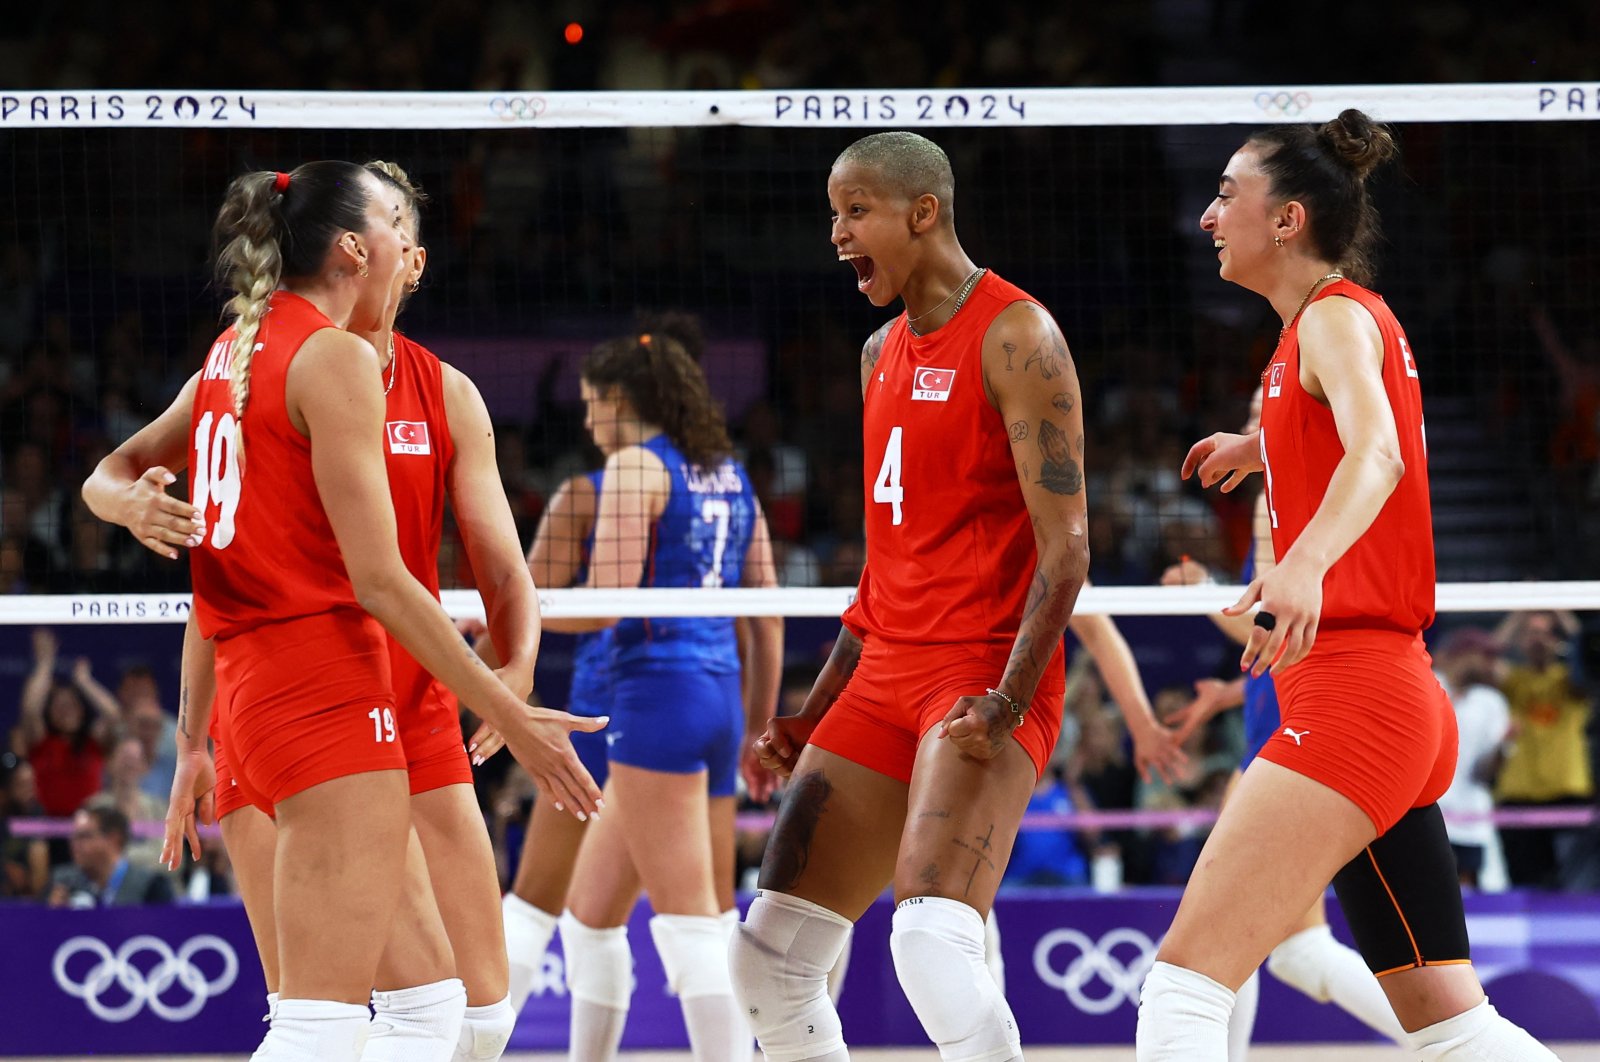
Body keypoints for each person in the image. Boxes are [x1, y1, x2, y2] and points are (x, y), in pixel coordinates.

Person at [121, 159, 599, 1062]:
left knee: (447, 1013)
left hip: (387, 696)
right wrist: (513, 715)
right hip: (323, 689)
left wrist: (516, 672)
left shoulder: (366, 374)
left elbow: (226, 561)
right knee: (320, 1020)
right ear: (357, 247)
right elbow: (346, 580)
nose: (405, 250)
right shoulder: (304, 358)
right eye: (387, 222)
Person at [1139, 109, 1555, 1060]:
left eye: (1227, 195)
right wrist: (1268, 449)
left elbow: (1378, 455)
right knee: (1453, 1029)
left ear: (1286, 219)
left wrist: (1300, 565)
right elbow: (1350, 437)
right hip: (1391, 698)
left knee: (1182, 989)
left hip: (1356, 695)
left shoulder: (1330, 317)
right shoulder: (1321, 329)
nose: (1208, 216)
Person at [731, 130, 1093, 1062]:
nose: (838, 235)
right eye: (833, 216)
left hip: (980, 677)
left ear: (922, 212)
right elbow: (884, 566)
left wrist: (1010, 702)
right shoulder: (878, 351)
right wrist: (814, 713)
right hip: (883, 671)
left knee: (930, 944)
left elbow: (1068, 551)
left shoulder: (1018, 335)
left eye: (856, 212)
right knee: (766, 960)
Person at [506, 329, 781, 1062]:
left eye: (593, 404)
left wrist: (514, 609)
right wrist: (758, 725)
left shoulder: (632, 469)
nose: (588, 420)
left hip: (657, 693)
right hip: (717, 696)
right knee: (591, 917)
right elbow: (769, 612)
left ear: (621, 400)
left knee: (693, 924)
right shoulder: (727, 472)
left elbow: (606, 602)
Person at [1493, 610, 1592, 888]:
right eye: (1531, 633)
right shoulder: (1513, 681)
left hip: (1567, 792)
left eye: (1546, 633)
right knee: (1525, 884)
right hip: (1518, 794)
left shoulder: (1571, 681)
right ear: (1521, 641)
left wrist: (1561, 614)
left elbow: (1590, 649)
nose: (1538, 640)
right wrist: (1520, 612)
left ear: (1557, 640)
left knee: (1575, 887)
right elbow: (1488, 654)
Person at [1434, 627, 1512, 889]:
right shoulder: (1427, 685)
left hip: (1469, 817)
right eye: (1485, 656)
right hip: (1424, 812)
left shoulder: (1491, 702)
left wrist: (1504, 746)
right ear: (1463, 655)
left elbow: (1484, 774)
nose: (1493, 665)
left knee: (1464, 891)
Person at [16, 629, 120, 819]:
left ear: (82, 711)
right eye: (59, 707)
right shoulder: (41, 741)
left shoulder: (93, 742)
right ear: (49, 713)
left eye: (72, 705)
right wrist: (45, 664)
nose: (66, 711)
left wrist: (84, 681)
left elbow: (113, 715)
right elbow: (31, 709)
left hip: (90, 826)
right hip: (48, 826)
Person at [46, 798, 174, 908]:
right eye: (73, 837)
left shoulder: (152, 888)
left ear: (114, 839)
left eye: (85, 836)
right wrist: (53, 915)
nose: (74, 844)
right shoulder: (60, 884)